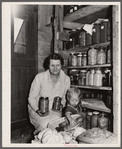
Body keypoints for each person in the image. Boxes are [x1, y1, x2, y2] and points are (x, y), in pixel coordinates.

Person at [28, 53, 70, 134]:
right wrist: (37, 110)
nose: (55, 68)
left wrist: (62, 105)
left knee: (59, 127)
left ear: (61, 65)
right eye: (52, 65)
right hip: (38, 110)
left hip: (55, 110)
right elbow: (31, 98)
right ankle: (38, 139)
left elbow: (65, 97)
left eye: (57, 65)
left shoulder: (66, 79)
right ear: (48, 65)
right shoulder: (39, 77)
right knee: (46, 127)